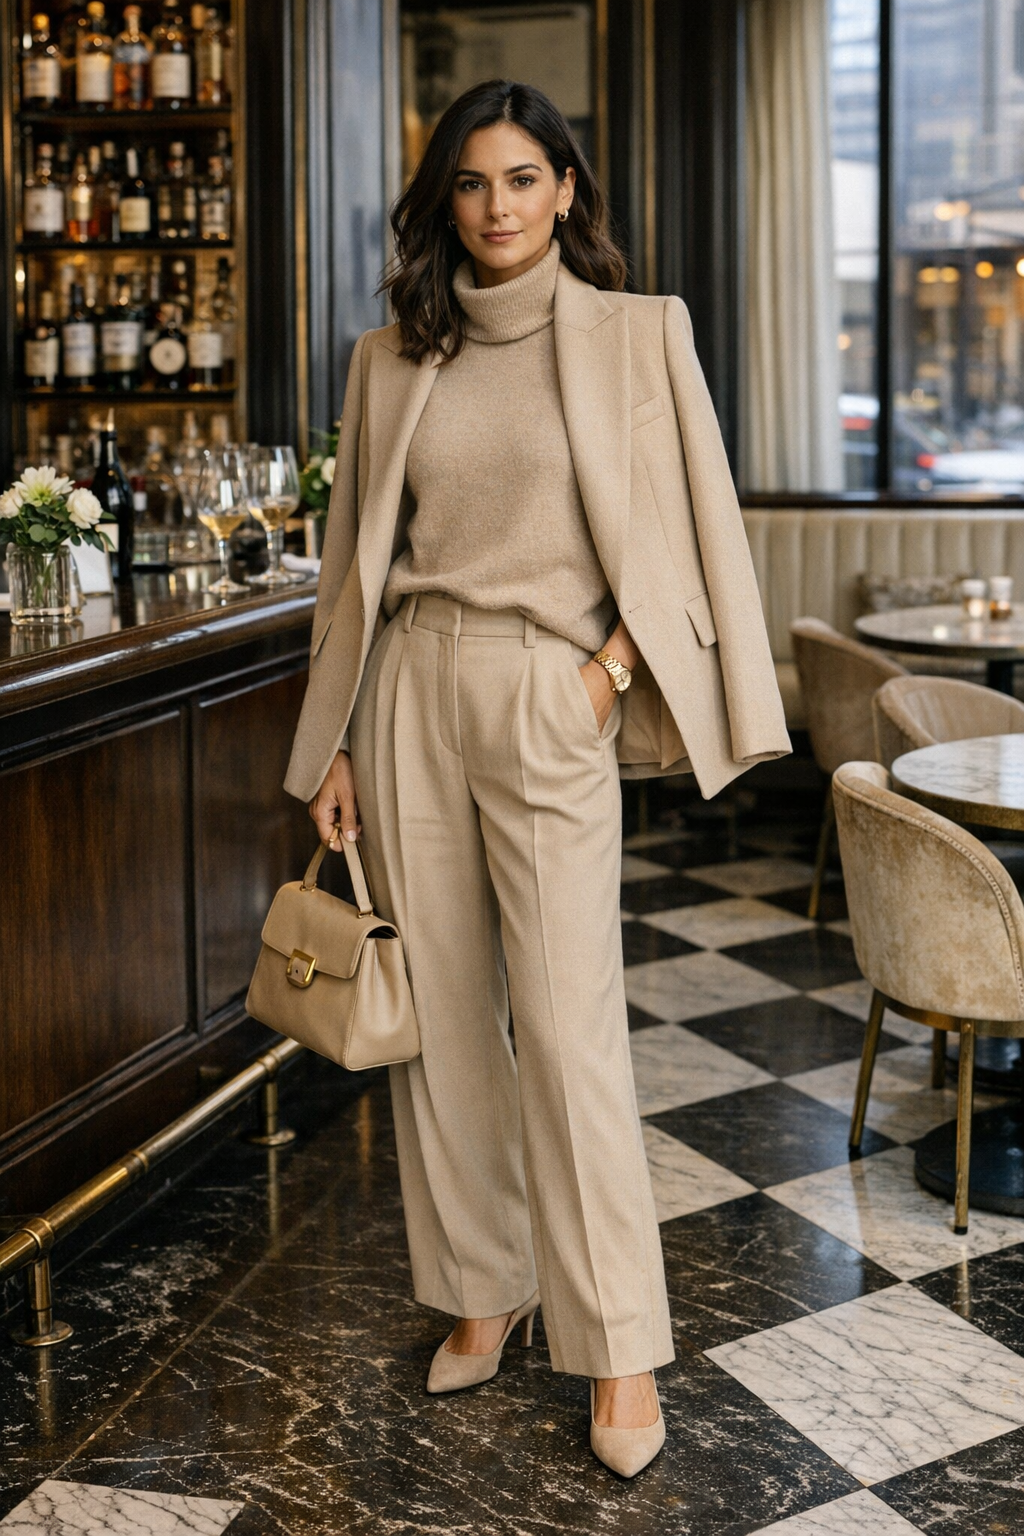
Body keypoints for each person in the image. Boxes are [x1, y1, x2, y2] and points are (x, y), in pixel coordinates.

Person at [285, 78, 789, 1478]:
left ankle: (619, 1343)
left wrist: (609, 672)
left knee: (569, 1030)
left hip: (548, 690)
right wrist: (332, 742)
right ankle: (484, 1285)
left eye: (523, 178)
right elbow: (352, 568)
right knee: (445, 1022)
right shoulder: (390, 356)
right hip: (408, 690)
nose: (497, 206)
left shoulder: (638, 333)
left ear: (567, 189)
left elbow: (693, 527)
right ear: (442, 200)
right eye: (471, 182)